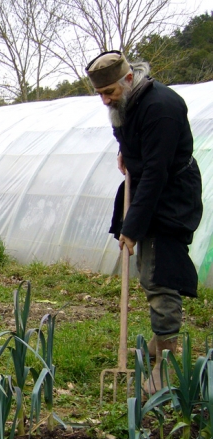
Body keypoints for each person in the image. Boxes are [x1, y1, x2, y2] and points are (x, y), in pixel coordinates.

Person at [86, 51, 203, 394]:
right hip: (147, 187)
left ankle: (167, 357)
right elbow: (126, 136)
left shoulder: (161, 107)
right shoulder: (124, 104)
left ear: (128, 79)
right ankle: (159, 340)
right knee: (148, 267)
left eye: (110, 92)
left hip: (171, 195)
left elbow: (156, 172)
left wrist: (131, 227)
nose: (106, 99)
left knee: (160, 272)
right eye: (101, 94)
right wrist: (124, 152)